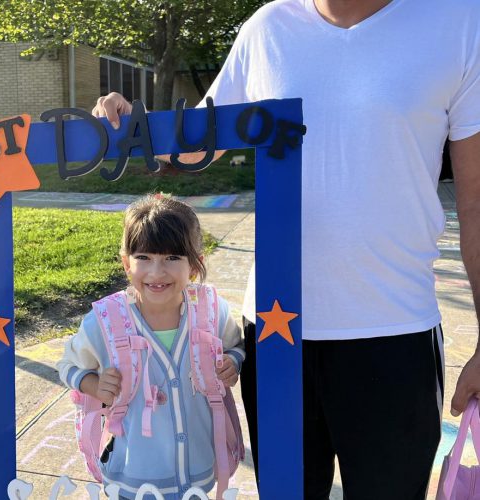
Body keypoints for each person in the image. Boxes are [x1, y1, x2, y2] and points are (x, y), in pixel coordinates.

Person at [93, 0, 480, 498]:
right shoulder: (268, 26)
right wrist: (126, 123)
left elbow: (474, 202)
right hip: (278, 336)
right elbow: (192, 144)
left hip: (394, 334)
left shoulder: (457, 19)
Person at [57, 195, 245, 499]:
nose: (157, 272)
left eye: (172, 258)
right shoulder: (105, 323)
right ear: (126, 263)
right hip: (134, 481)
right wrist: (93, 385)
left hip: (197, 473)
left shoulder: (210, 312)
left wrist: (232, 363)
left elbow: (235, 345)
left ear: (195, 265)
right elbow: (67, 365)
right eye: (144, 257)